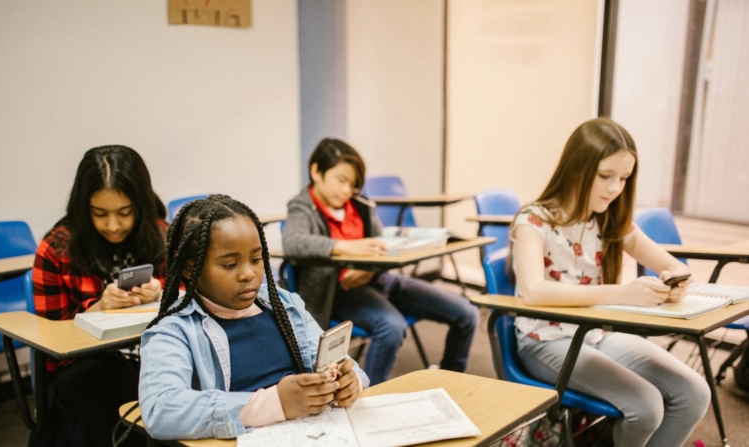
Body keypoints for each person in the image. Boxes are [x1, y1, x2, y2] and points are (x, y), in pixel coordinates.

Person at [510, 118, 710, 447]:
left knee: (694, 392)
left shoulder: (612, 220)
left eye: (623, 179)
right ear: (576, 168)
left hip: (596, 335)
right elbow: (533, 291)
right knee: (645, 407)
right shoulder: (533, 220)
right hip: (543, 339)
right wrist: (624, 293)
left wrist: (675, 281)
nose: (615, 188)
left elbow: (672, 265)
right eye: (606, 176)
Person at [138, 195, 368, 440]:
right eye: (229, 265)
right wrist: (274, 404)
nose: (248, 274)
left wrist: (350, 382)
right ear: (188, 267)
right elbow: (161, 410)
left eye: (256, 259)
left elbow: (349, 369)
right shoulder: (174, 331)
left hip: (316, 433)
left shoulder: (285, 305)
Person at [282, 138, 480, 385]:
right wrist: (345, 247)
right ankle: (369, 394)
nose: (346, 190)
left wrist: (370, 269)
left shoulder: (359, 206)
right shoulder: (302, 207)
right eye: (341, 180)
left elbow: (382, 244)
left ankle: (451, 378)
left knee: (467, 313)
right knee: (391, 327)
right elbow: (293, 242)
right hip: (339, 291)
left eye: (353, 184)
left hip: (378, 280)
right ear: (316, 171)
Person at [32, 145, 167, 447]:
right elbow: (49, 344)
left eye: (124, 212)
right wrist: (98, 308)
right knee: (108, 379)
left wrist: (163, 290)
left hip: (157, 352)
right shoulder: (57, 250)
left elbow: (199, 299)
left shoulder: (161, 235)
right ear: (83, 207)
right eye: (99, 214)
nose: (113, 225)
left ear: (141, 204)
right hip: (91, 365)